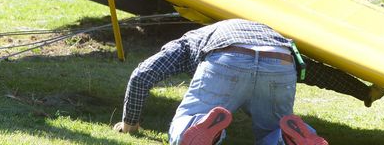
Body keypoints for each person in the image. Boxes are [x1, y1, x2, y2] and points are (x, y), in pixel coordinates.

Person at [112, 19, 328, 145]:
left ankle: (195, 128)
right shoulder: (264, 31)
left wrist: (129, 125)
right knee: (273, 128)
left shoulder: (188, 41)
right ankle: (285, 138)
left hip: (227, 56)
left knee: (187, 118)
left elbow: (142, 76)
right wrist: (361, 92)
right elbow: (321, 74)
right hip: (281, 59)